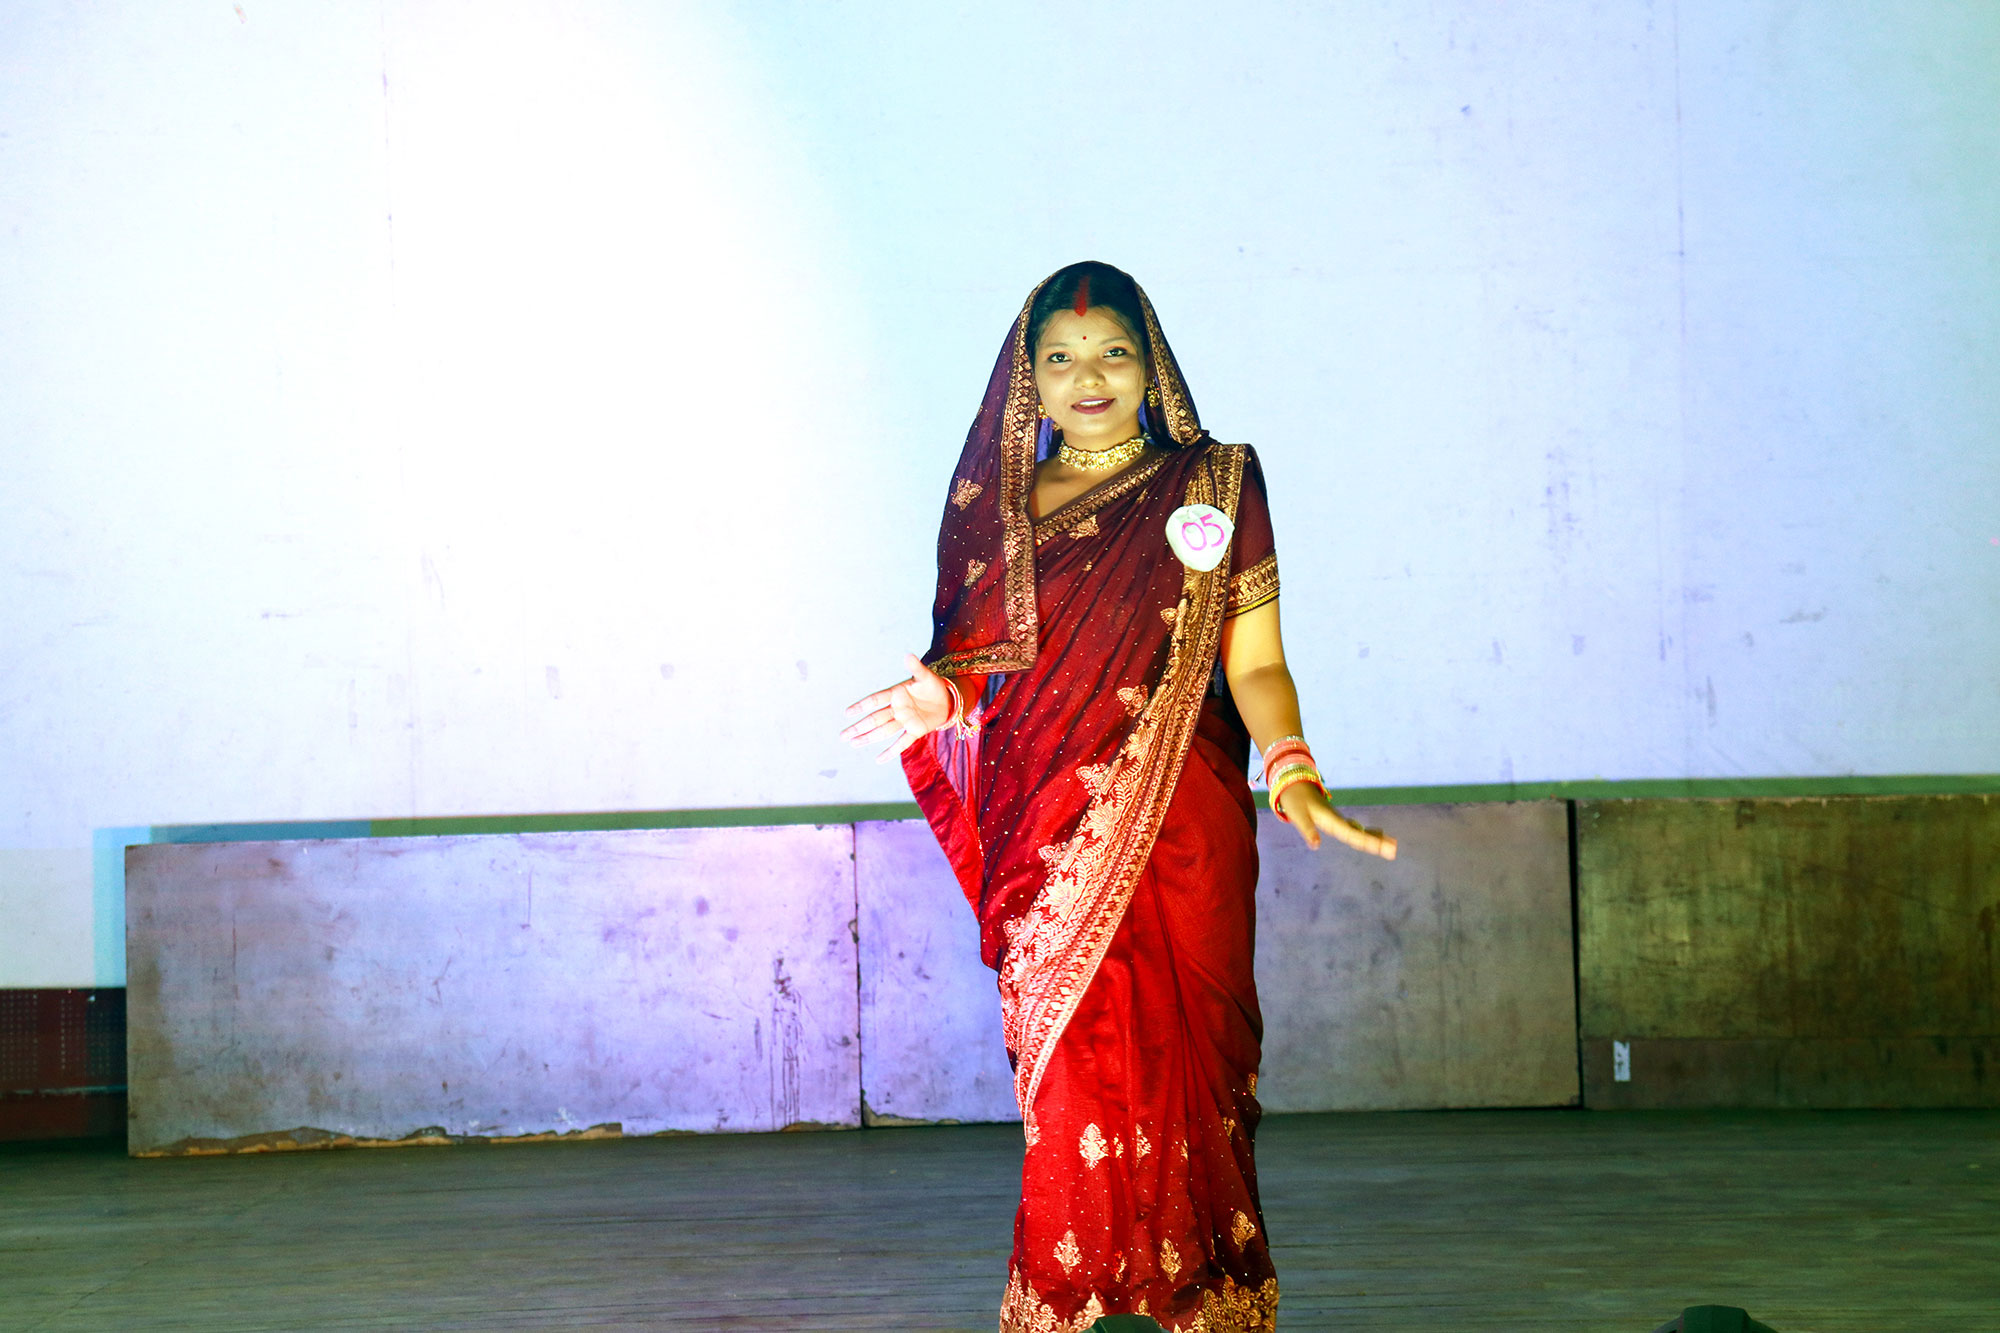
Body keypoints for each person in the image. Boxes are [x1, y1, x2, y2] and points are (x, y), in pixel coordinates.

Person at [843, 261, 1396, 1333]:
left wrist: (1290, 764)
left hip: (1186, 829)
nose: (1086, 376)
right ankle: (1065, 1296)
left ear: (1152, 367)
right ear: (1029, 380)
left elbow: (1254, 662)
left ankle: (1207, 1297)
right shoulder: (999, 513)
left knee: (1194, 1071)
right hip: (1048, 838)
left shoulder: (1214, 484)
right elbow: (977, 665)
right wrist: (939, 693)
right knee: (1072, 1084)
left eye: (1111, 353)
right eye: (1058, 357)